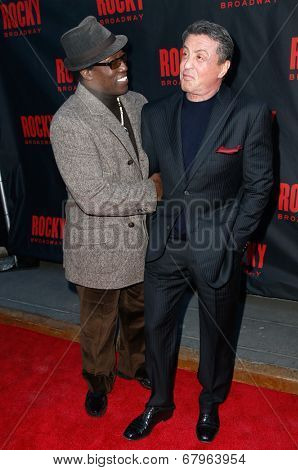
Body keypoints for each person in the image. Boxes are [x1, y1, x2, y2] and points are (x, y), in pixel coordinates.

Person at [124, 20, 273, 442]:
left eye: (200, 56)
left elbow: (259, 186)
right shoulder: (155, 113)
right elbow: (149, 174)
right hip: (165, 246)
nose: (186, 63)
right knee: (155, 327)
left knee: (216, 333)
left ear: (223, 67)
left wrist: (231, 240)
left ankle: (209, 402)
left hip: (217, 247)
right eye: (185, 53)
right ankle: (159, 403)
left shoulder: (249, 115)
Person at [50, 16, 162, 418]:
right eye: (113, 62)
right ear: (86, 73)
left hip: (139, 239)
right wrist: (153, 191)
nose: (124, 67)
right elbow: (94, 196)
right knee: (99, 324)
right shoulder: (68, 123)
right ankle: (98, 382)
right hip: (98, 244)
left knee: (138, 311)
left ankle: (137, 366)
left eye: (123, 58)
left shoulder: (138, 102)